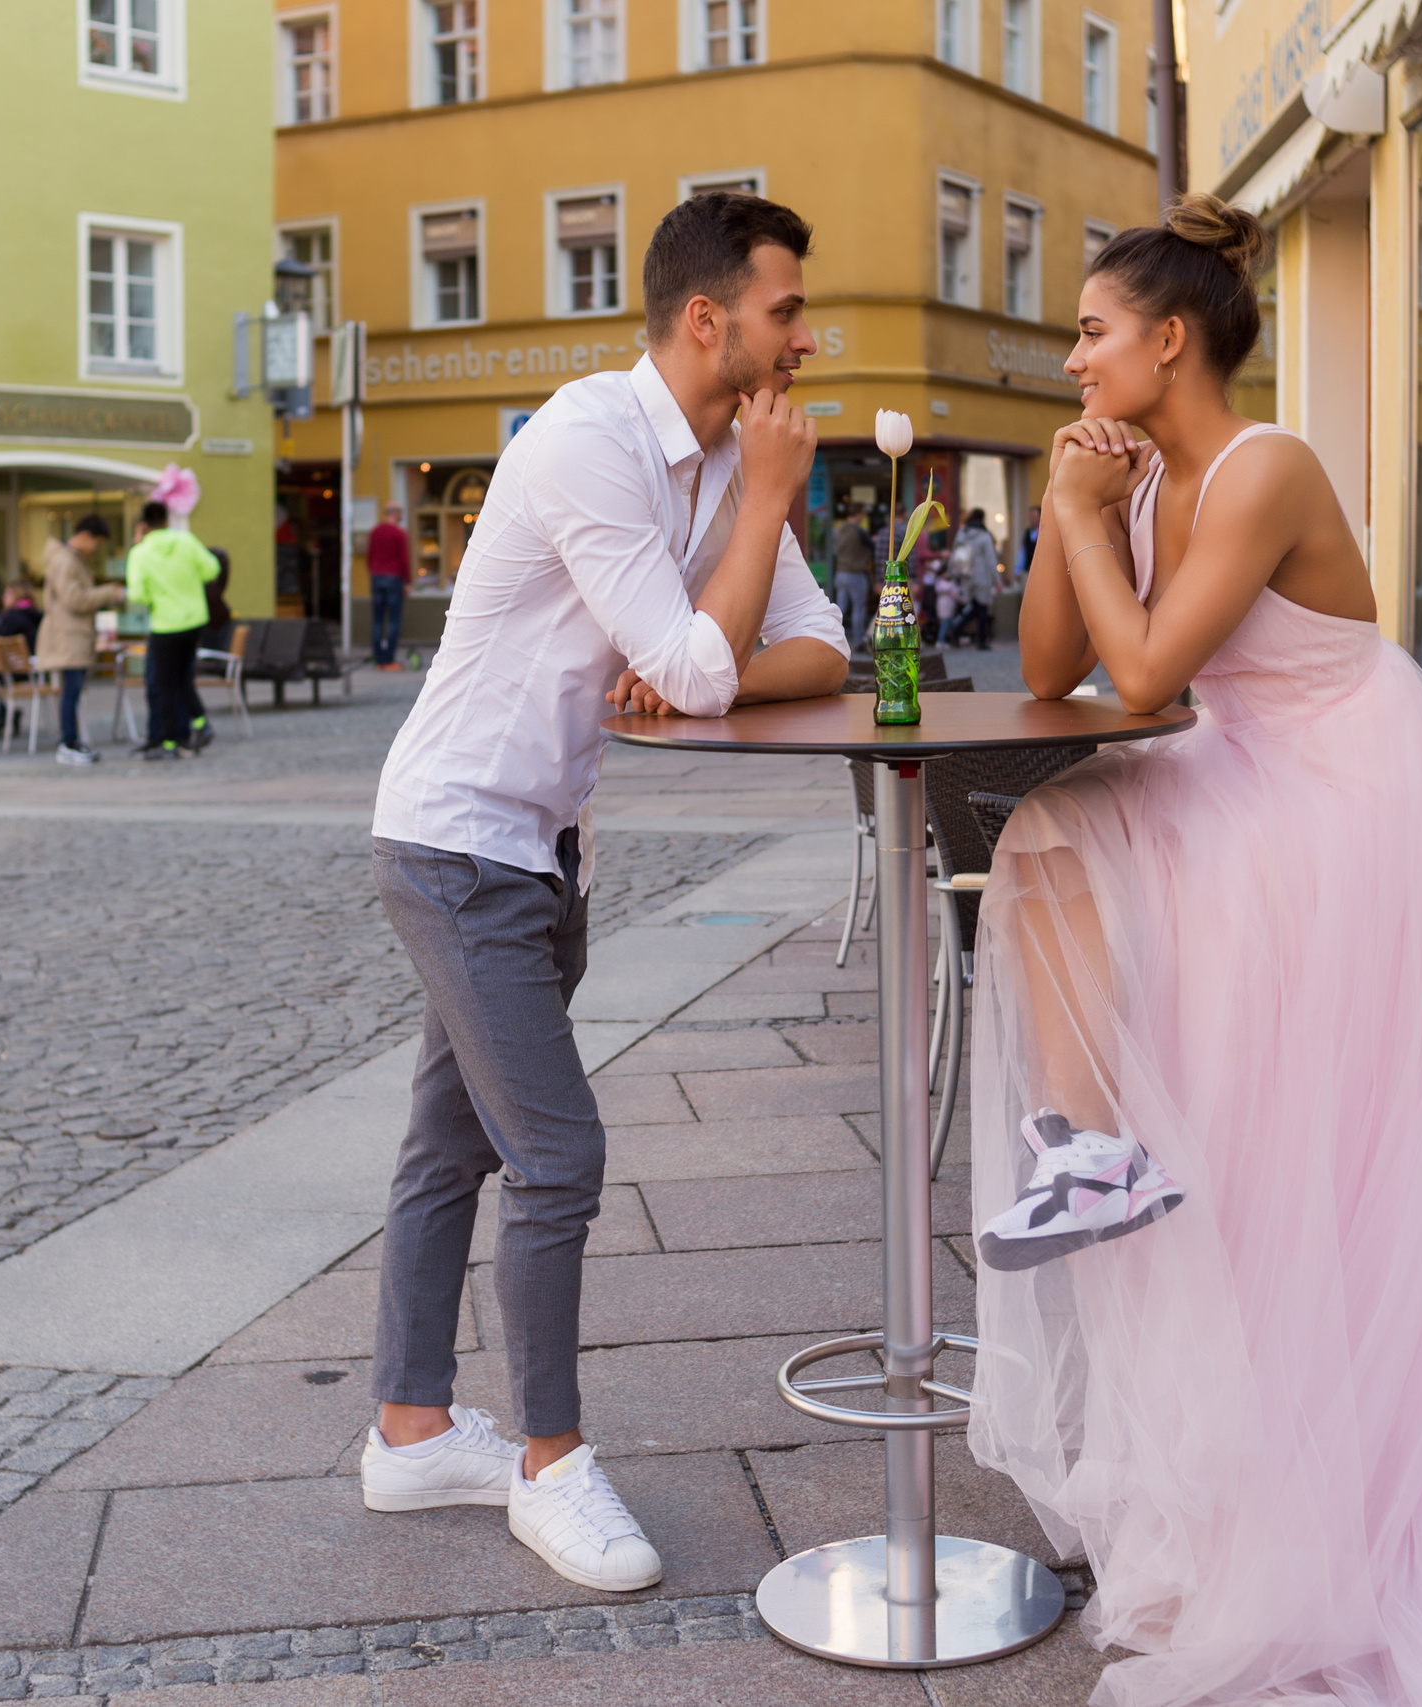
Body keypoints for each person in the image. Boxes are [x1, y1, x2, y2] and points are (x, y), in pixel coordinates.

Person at [968, 194, 1422, 1706]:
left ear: (1168, 339)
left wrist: (1080, 513)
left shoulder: (1265, 467)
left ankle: (1354, 1504)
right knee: (1046, 835)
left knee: (1321, 1159)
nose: (1073, 362)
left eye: (1089, 333)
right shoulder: (1137, 479)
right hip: (1244, 775)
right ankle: (1095, 1153)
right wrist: (1075, 503)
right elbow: (1052, 667)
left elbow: (1144, 669)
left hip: (1345, 798)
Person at [363, 191, 844, 1594]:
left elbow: (802, 644)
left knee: (448, 1144)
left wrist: (720, 618)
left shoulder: (712, 466)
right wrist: (752, 530)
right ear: (710, 323)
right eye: (785, 313)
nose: (805, 341)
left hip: (542, 846)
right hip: (457, 839)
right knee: (557, 1155)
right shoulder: (591, 438)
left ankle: (406, 1426)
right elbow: (692, 671)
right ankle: (551, 1461)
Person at [124, 500, 220, 759]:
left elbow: (138, 596)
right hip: (194, 620)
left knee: (165, 684)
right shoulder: (186, 541)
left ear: (144, 525)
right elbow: (212, 568)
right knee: (182, 678)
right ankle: (200, 722)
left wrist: (159, 594)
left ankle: (168, 744)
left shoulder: (140, 553)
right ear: (167, 520)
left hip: (166, 625)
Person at [35, 516, 127, 766]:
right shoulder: (65, 560)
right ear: (86, 536)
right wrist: (109, 592)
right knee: (71, 691)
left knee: (72, 691)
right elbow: (74, 599)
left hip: (71, 634)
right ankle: (68, 743)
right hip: (68, 635)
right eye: (97, 542)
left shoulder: (69, 558)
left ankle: (71, 742)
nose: (96, 548)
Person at [949, 506, 1001, 650]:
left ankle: (956, 629)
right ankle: (981, 640)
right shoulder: (985, 536)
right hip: (982, 576)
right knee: (982, 608)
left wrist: (950, 571)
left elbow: (955, 554)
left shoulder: (962, 533)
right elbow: (991, 560)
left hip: (966, 575)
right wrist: (997, 580)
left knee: (974, 607)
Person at [368, 504, 411, 669]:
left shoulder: (375, 531)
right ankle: (389, 660)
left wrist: (374, 573)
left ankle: (379, 659)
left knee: (378, 620)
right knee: (393, 620)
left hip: (377, 577)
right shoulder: (399, 533)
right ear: (397, 514)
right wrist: (407, 581)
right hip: (394, 578)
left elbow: (369, 556)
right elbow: (404, 560)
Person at [828, 497, 873, 650]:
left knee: (840, 608)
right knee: (858, 609)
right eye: (864, 513)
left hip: (841, 573)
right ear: (859, 514)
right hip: (855, 573)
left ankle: (833, 640)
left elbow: (834, 550)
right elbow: (871, 546)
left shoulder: (839, 529)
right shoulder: (859, 531)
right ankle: (859, 642)